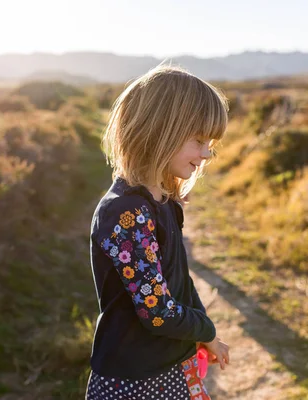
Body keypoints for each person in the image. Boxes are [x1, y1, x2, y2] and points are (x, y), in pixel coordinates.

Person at [86, 64, 230, 400]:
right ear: (160, 130)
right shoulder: (126, 212)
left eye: (210, 142)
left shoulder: (163, 200)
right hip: (132, 381)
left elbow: (180, 280)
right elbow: (158, 310)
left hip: (170, 365)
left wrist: (203, 333)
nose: (206, 153)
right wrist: (205, 330)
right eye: (198, 139)